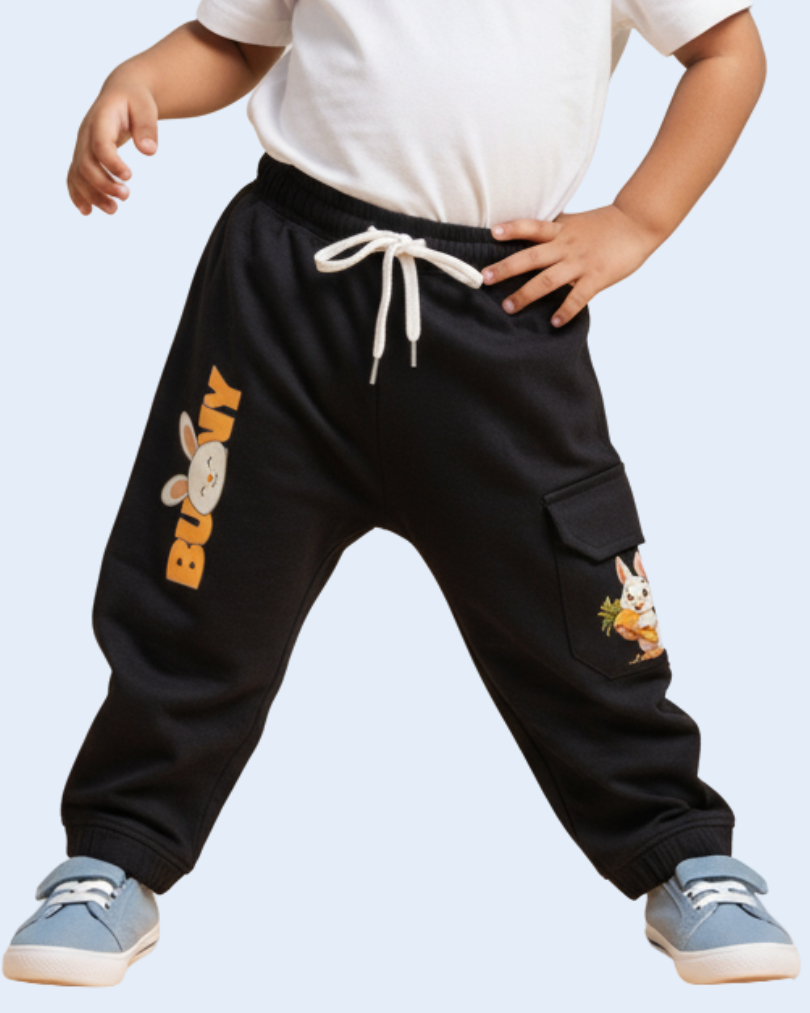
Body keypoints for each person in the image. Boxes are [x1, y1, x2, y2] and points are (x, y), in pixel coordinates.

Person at [2, 0, 800, 989]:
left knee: (583, 606)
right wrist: (142, 79)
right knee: (194, 581)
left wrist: (637, 220)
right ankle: (113, 852)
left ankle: (681, 846)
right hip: (283, 303)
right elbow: (237, 38)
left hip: (499, 309)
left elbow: (727, 50)